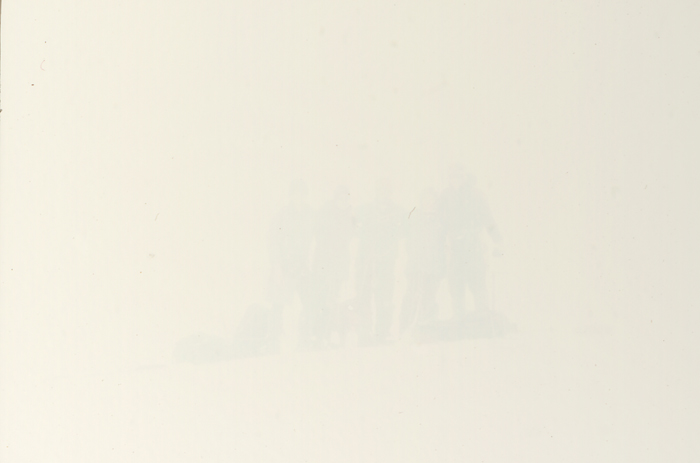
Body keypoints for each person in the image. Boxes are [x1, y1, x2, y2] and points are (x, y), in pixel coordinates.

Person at [438, 165, 502, 319]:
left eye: (459, 176)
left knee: (477, 279)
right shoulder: (445, 195)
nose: (456, 179)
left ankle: (482, 315)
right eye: (453, 176)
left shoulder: (476, 195)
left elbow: (488, 218)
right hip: (454, 245)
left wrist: (497, 240)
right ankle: (459, 317)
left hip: (473, 244)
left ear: (465, 177)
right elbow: (439, 221)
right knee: (456, 282)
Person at [354, 180, 406, 345]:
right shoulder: (365, 210)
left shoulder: (398, 211)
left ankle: (382, 331)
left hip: (387, 260)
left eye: (386, 192)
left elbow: (407, 228)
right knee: (363, 295)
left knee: (385, 296)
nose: (383, 195)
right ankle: (364, 332)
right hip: (366, 260)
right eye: (380, 192)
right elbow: (352, 222)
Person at [306, 185, 356, 349]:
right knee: (324, 299)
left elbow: (349, 238)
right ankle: (321, 334)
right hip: (324, 265)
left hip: (340, 265)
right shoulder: (326, 213)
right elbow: (320, 237)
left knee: (334, 299)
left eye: (346, 198)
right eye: (340, 198)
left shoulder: (349, 215)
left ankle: (330, 334)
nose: (343, 201)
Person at [268, 180, 314, 352]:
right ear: (291, 196)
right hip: (286, 267)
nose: (299, 197)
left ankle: (305, 340)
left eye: (302, 194)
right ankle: (273, 341)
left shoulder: (311, 214)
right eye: (296, 194)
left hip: (303, 267)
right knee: (278, 304)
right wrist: (277, 266)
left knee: (309, 303)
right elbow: (273, 242)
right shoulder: (282, 216)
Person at [400, 187, 446, 334]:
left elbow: (443, 244)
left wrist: (442, 265)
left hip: (434, 266)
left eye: (431, 199)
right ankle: (405, 327)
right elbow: (408, 242)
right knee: (412, 295)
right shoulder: (414, 217)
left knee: (429, 297)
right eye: (426, 199)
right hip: (416, 266)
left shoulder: (440, 219)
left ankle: (425, 328)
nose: (429, 202)